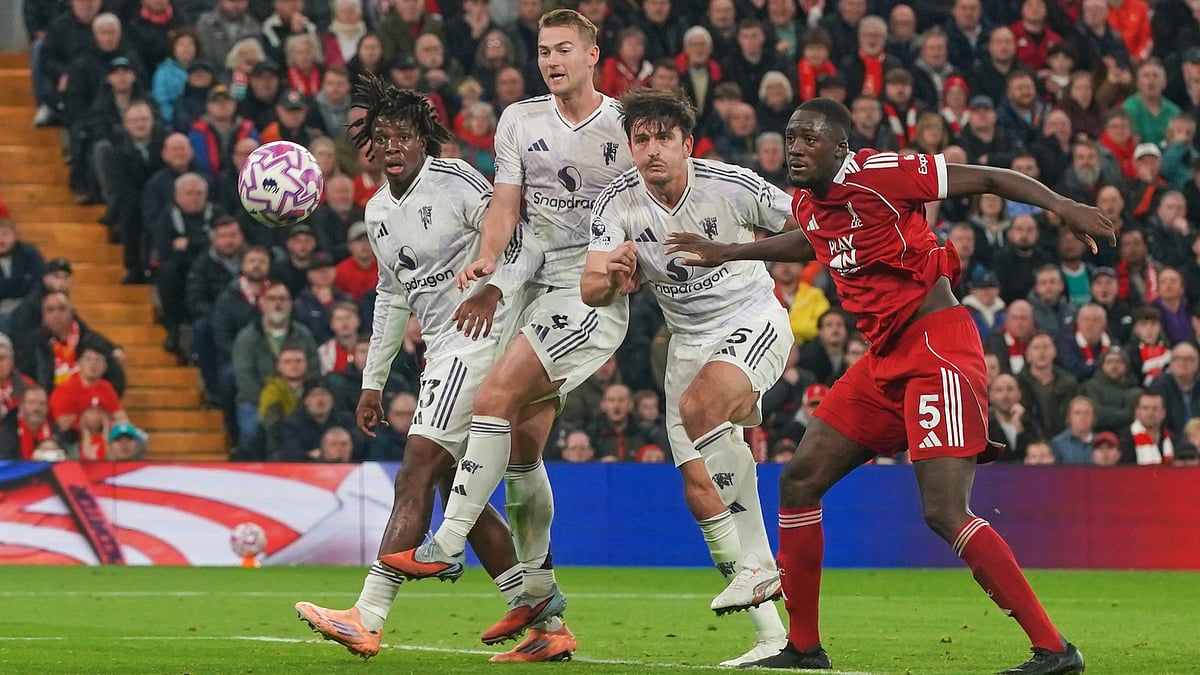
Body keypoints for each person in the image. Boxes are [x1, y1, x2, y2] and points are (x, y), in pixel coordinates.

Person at [663, 97, 1108, 673]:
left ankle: (1054, 649)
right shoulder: (808, 203)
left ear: (840, 147)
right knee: (799, 482)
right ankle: (803, 647)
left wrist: (1062, 205)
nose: (795, 148)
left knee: (945, 510)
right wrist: (731, 251)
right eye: (791, 138)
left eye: (809, 140)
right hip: (882, 360)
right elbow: (811, 240)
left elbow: (990, 177)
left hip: (935, 348)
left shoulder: (884, 174)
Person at [386, 10, 634, 661]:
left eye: (562, 50)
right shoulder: (519, 120)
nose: (551, 60)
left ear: (591, 54)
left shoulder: (622, 126)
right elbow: (503, 205)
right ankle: (542, 601)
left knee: (494, 397)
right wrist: (489, 263)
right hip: (528, 284)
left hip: (588, 292)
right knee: (523, 446)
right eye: (543, 50)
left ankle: (446, 541)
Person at [293, 74, 567, 664]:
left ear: (424, 139)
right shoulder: (376, 212)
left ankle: (366, 616)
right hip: (443, 346)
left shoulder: (459, 181)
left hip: (484, 335)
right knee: (447, 483)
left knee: (416, 467)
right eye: (382, 136)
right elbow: (393, 297)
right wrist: (373, 381)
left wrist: (492, 291)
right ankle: (543, 619)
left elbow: (521, 240)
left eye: (403, 136)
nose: (392, 146)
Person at [583, 87, 794, 666]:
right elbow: (589, 288)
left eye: (663, 138)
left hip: (753, 317)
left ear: (687, 144)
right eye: (641, 139)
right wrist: (616, 275)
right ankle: (771, 633)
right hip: (687, 345)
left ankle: (760, 565)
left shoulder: (732, 184)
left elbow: (810, 226)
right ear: (629, 146)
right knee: (700, 488)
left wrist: (732, 250)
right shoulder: (617, 202)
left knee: (701, 411)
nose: (652, 150)